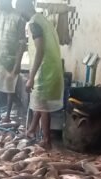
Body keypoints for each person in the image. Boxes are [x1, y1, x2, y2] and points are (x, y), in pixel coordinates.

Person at [18, 0, 62, 149]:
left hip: (44, 70)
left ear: (24, 7)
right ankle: (31, 130)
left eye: (19, 10)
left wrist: (31, 77)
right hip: (52, 67)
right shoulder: (43, 20)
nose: (20, 14)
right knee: (40, 102)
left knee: (43, 107)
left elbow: (40, 50)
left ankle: (46, 140)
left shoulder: (33, 23)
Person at [0, 0, 25, 125]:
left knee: (9, 89)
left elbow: (22, 43)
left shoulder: (19, 18)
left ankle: (7, 116)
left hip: (11, 60)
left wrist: (18, 63)